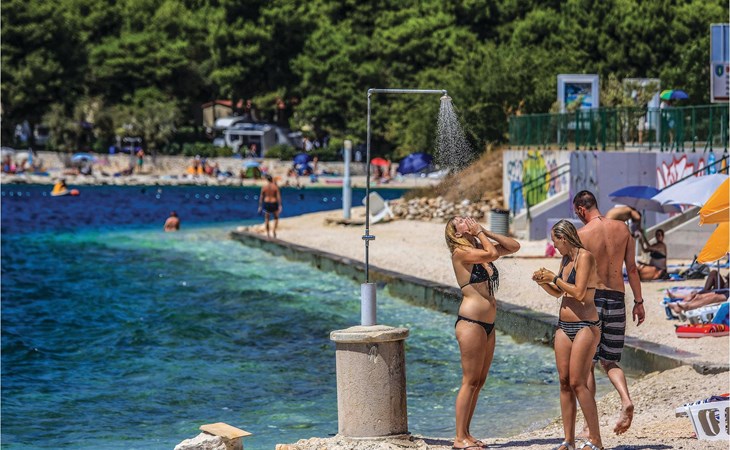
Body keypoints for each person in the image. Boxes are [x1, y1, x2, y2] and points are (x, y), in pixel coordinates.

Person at [573, 190, 645, 436]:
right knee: (610, 361)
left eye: (577, 213)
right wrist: (639, 301)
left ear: (581, 209)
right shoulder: (622, 229)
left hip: (592, 301)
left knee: (588, 364)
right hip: (617, 298)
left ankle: (588, 426)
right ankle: (625, 399)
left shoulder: (581, 234)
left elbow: (575, 274)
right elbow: (632, 269)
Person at [444, 216, 520, 449]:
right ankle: (459, 438)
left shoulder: (478, 247)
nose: (465, 219)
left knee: (479, 381)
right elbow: (493, 254)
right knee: (469, 381)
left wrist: (484, 231)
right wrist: (478, 233)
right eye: (459, 220)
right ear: (457, 233)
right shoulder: (460, 253)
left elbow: (513, 246)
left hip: (488, 324)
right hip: (471, 322)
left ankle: (467, 433)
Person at [532, 220, 603, 450]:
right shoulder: (565, 259)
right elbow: (559, 292)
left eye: (555, 241)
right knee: (564, 382)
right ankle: (568, 440)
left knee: (578, 382)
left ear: (564, 238)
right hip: (564, 325)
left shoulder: (585, 257)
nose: (554, 246)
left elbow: (580, 293)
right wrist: (544, 282)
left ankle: (596, 439)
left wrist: (554, 278)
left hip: (585, 325)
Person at [258, 174, 282, 238]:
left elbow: (261, 197)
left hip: (266, 203)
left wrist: (260, 206)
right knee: (276, 218)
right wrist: (280, 205)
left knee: (267, 219)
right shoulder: (275, 187)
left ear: (267, 180)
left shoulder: (264, 187)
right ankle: (274, 230)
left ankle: (268, 233)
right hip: (274, 203)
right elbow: (278, 197)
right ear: (272, 179)